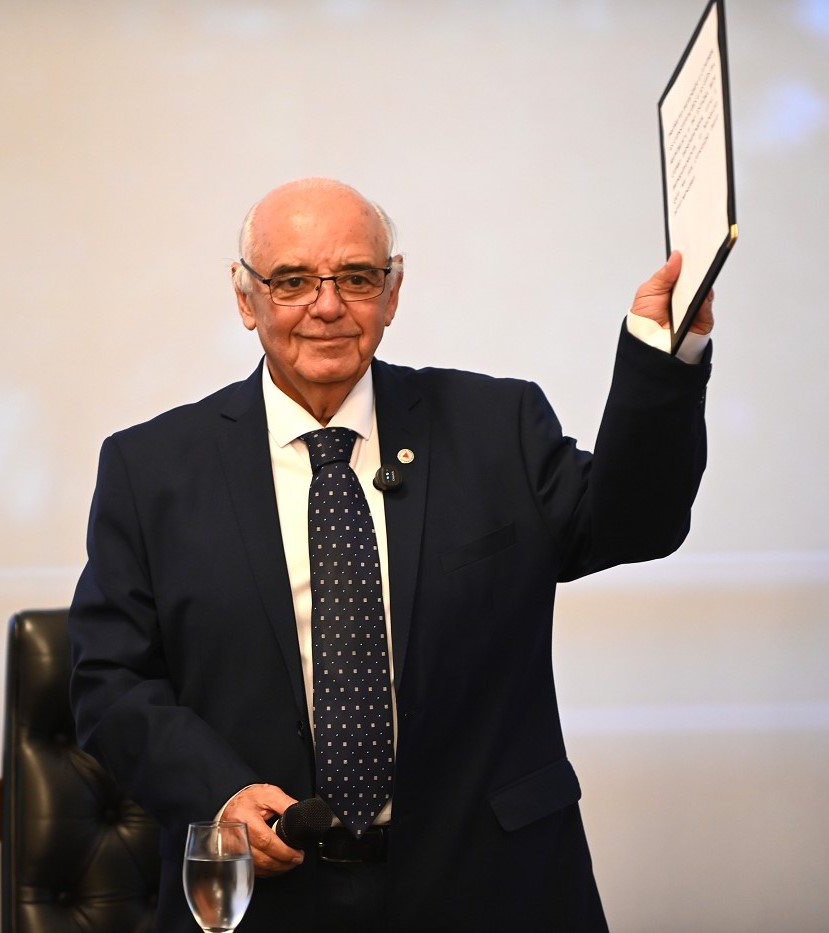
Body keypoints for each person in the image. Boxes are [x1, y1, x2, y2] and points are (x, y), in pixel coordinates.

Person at [69, 177, 713, 932]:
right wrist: (219, 793)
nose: (328, 305)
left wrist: (663, 356)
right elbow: (110, 682)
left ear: (392, 291)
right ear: (246, 298)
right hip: (264, 894)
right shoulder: (151, 470)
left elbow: (638, 523)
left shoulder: (496, 427)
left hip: (491, 885)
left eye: (356, 277)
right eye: (292, 281)